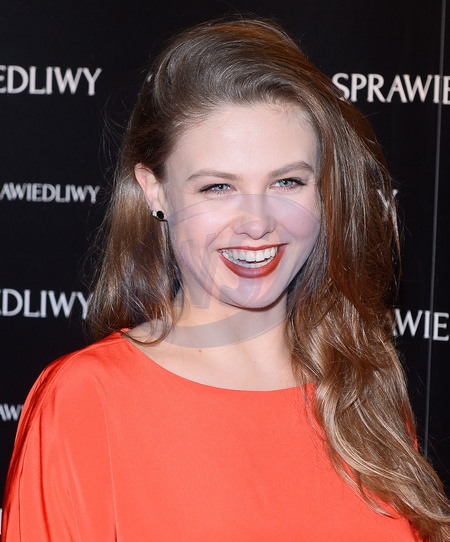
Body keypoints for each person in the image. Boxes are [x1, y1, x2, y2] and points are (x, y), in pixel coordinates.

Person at [2, 18, 450, 541]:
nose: (257, 223)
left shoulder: (359, 389)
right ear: (155, 190)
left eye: (288, 181)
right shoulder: (87, 402)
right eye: (218, 187)